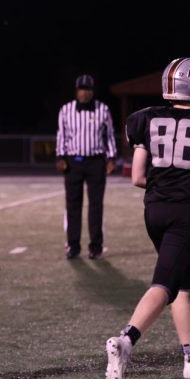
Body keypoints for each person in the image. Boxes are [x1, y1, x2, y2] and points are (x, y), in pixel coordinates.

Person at [106, 58, 190, 379]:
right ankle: (125, 341)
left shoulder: (145, 118)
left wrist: (166, 184)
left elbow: (138, 177)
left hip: (154, 209)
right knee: (166, 284)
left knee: (181, 285)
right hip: (186, 211)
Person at [56, 74, 117, 259]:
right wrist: (60, 156)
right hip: (73, 162)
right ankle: (73, 246)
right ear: (77, 91)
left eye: (87, 89)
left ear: (92, 91)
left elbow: (110, 135)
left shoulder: (103, 109)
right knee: (73, 205)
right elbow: (62, 135)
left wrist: (111, 158)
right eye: (81, 89)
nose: (84, 93)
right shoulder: (66, 110)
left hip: (96, 162)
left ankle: (95, 247)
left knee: (96, 206)